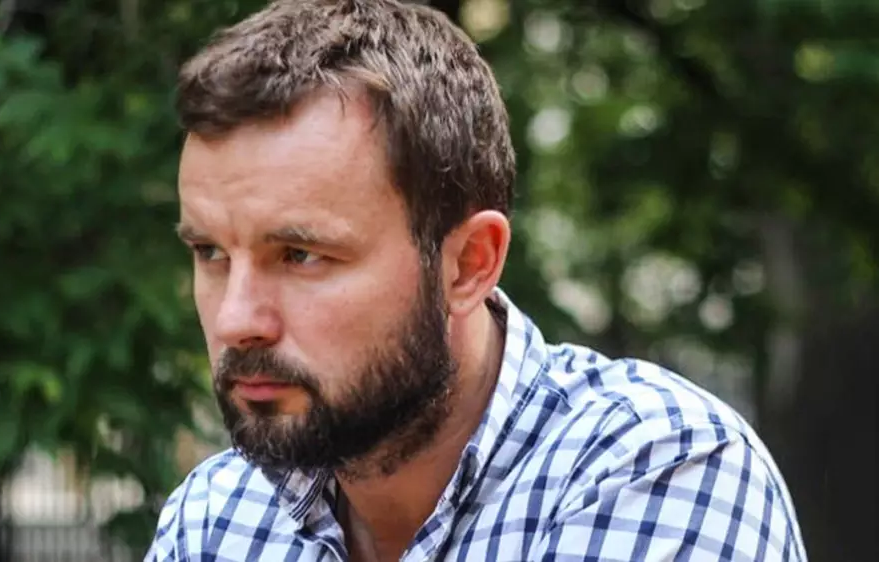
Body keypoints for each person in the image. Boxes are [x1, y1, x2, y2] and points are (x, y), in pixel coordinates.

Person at [145, 0, 807, 560]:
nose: (236, 319)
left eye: (300, 255)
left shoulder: (660, 469)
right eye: (210, 252)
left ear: (468, 265)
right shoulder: (217, 519)